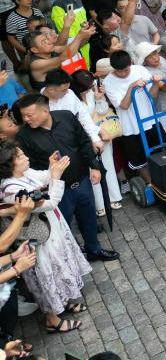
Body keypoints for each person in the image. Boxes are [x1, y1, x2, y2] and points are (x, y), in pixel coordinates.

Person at [14, 94, 119, 263]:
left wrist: (94, 166)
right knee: (64, 228)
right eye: (23, 115)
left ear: (45, 111)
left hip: (83, 180)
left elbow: (84, 142)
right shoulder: (24, 136)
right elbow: (30, 167)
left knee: (89, 219)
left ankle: (94, 251)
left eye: (29, 115)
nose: (26, 119)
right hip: (57, 191)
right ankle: (73, 261)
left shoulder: (66, 116)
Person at [0, 143, 89, 334]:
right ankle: (52, 319)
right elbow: (49, 203)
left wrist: (51, 168)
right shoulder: (10, 191)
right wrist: (56, 176)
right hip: (39, 240)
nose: (25, 156)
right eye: (20, 155)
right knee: (46, 278)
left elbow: (42, 177)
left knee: (59, 269)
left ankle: (62, 303)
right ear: (10, 164)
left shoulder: (24, 173)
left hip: (50, 230)